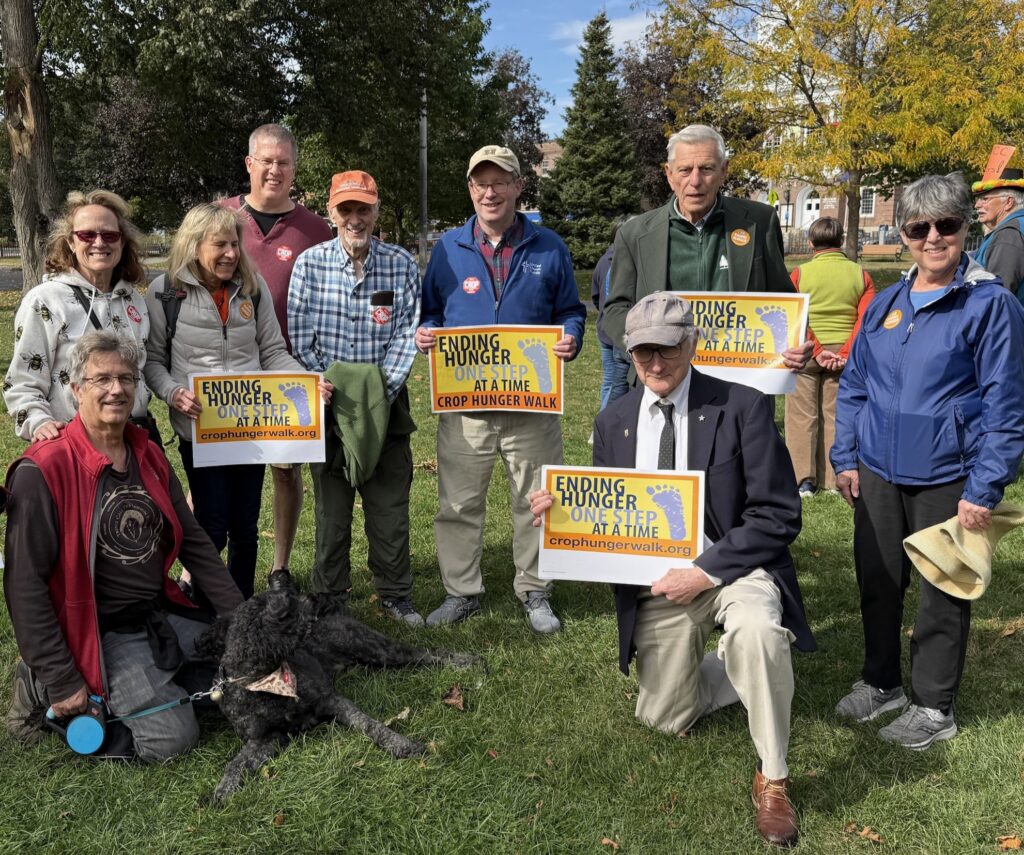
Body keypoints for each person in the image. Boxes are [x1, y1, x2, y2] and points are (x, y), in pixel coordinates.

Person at [529, 293, 814, 847]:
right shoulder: (613, 420)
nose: (655, 365)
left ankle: (773, 777)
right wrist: (561, 512)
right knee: (662, 717)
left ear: (692, 344)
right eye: (642, 354)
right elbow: (610, 517)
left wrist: (706, 571)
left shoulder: (744, 406)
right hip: (659, 583)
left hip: (734, 565)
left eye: (667, 349)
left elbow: (779, 514)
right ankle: (755, 669)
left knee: (755, 628)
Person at [831, 173, 1024, 749]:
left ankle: (934, 706)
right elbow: (856, 385)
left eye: (948, 224)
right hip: (878, 472)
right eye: (920, 227)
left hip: (949, 475)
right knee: (878, 580)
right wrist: (846, 457)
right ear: (904, 233)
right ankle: (881, 682)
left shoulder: (991, 305)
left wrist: (985, 486)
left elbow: (1006, 404)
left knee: (943, 590)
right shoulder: (887, 301)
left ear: (966, 227)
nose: (934, 237)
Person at [4, 331, 243, 760]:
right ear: (75, 390)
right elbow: (25, 587)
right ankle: (40, 683)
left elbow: (192, 541)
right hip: (100, 631)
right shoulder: (43, 469)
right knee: (172, 740)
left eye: (126, 378)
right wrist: (62, 678)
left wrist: (241, 618)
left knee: (240, 666)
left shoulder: (146, 451)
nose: (117, 389)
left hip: (155, 614)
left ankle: (155, 681)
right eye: (102, 379)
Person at [416, 145, 587, 634]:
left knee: (534, 500)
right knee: (458, 504)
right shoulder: (447, 247)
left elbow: (570, 310)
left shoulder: (548, 246)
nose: (489, 192)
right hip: (465, 405)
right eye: (480, 183)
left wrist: (571, 337)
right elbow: (431, 311)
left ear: (518, 186)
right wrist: (427, 332)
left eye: (500, 182)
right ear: (470, 189)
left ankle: (535, 591)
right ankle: (461, 591)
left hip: (530, 403)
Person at [144, 204, 323, 600]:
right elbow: (153, 361)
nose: (231, 253)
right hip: (200, 433)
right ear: (193, 246)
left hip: (250, 431)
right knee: (211, 525)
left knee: (245, 527)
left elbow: (273, 351)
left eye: (235, 244)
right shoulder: (165, 292)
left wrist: (306, 384)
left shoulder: (252, 287)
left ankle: (240, 608)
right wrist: (174, 392)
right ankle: (207, 603)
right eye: (220, 244)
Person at [287, 171, 422, 624]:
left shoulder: (401, 265)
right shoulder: (309, 265)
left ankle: (394, 592)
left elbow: (407, 333)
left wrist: (377, 393)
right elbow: (301, 338)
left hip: (387, 404)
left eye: (363, 208)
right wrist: (328, 384)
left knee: (389, 506)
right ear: (332, 213)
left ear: (376, 210)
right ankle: (329, 594)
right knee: (331, 508)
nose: (355, 218)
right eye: (346, 209)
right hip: (326, 405)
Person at [220, 123, 333, 578]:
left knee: (286, 471)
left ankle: (279, 567)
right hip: (228, 368)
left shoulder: (315, 229)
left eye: (283, 162)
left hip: (290, 373)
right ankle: (200, 568)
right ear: (249, 164)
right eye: (265, 161)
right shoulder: (219, 216)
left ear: (294, 167)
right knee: (218, 472)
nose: (274, 170)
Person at [603, 124, 809, 372]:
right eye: (685, 170)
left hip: (742, 381)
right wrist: (642, 348)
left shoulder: (760, 221)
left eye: (707, 169)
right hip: (663, 378)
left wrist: (797, 341)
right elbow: (615, 309)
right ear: (669, 175)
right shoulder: (634, 234)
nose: (695, 181)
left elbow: (783, 299)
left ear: (724, 171)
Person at [4, 190, 155, 443]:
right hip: (74, 442)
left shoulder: (135, 302)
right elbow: (22, 382)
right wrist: (39, 423)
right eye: (87, 234)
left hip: (133, 440)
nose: (99, 242)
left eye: (109, 235)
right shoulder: (45, 301)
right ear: (71, 242)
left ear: (121, 242)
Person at [785, 217, 874, 496]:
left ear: (811, 243)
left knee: (801, 416)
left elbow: (794, 314)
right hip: (844, 354)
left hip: (806, 351)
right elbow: (865, 319)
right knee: (836, 415)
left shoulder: (799, 273)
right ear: (841, 240)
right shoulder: (861, 274)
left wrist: (818, 350)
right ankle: (834, 476)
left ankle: (803, 480)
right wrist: (845, 351)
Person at [591, 217, 632, 411]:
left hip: (605, 329)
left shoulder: (603, 261)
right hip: (614, 334)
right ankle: (605, 422)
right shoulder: (619, 262)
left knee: (610, 380)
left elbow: (595, 295)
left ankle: (603, 419)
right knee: (616, 382)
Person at [972, 167, 1024, 298]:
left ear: (1008, 202)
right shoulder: (1017, 226)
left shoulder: (1008, 234)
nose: (977, 205)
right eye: (977, 199)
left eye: (985, 199)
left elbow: (996, 296)